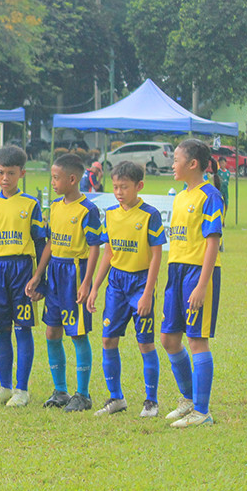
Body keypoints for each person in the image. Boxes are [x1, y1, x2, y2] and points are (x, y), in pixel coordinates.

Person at [86, 161, 166, 417]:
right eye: (116, 187)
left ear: (139, 186)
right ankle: (115, 398)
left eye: (125, 187)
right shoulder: (110, 213)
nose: (119, 192)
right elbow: (108, 252)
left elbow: (156, 257)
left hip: (140, 283)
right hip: (116, 285)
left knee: (145, 343)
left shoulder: (149, 215)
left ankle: (151, 401)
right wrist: (95, 287)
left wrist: (147, 294)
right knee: (108, 339)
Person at [26, 153, 101, 412]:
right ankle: (60, 391)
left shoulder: (88, 210)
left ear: (72, 179)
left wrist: (87, 282)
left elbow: (94, 248)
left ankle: (83, 394)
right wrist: (38, 275)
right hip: (56, 272)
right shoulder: (55, 206)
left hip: (75, 273)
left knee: (78, 333)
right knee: (51, 331)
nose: (53, 182)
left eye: (57, 178)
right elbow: (49, 242)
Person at [162, 139, 223, 428]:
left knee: (197, 339)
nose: (172, 164)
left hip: (198, 273)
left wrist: (202, 284)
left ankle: (202, 411)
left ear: (193, 164)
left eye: (176, 159)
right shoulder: (180, 196)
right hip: (176, 271)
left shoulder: (209, 195)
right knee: (169, 338)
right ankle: (187, 399)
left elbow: (213, 242)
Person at [0, 145, 46, 407]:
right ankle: (4, 387)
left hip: (21, 270)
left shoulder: (31, 204)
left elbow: (41, 243)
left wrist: (41, 278)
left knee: (23, 328)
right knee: (0, 329)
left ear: (22, 173)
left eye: (10, 173)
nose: (5, 178)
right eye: (0, 172)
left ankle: (22, 389)